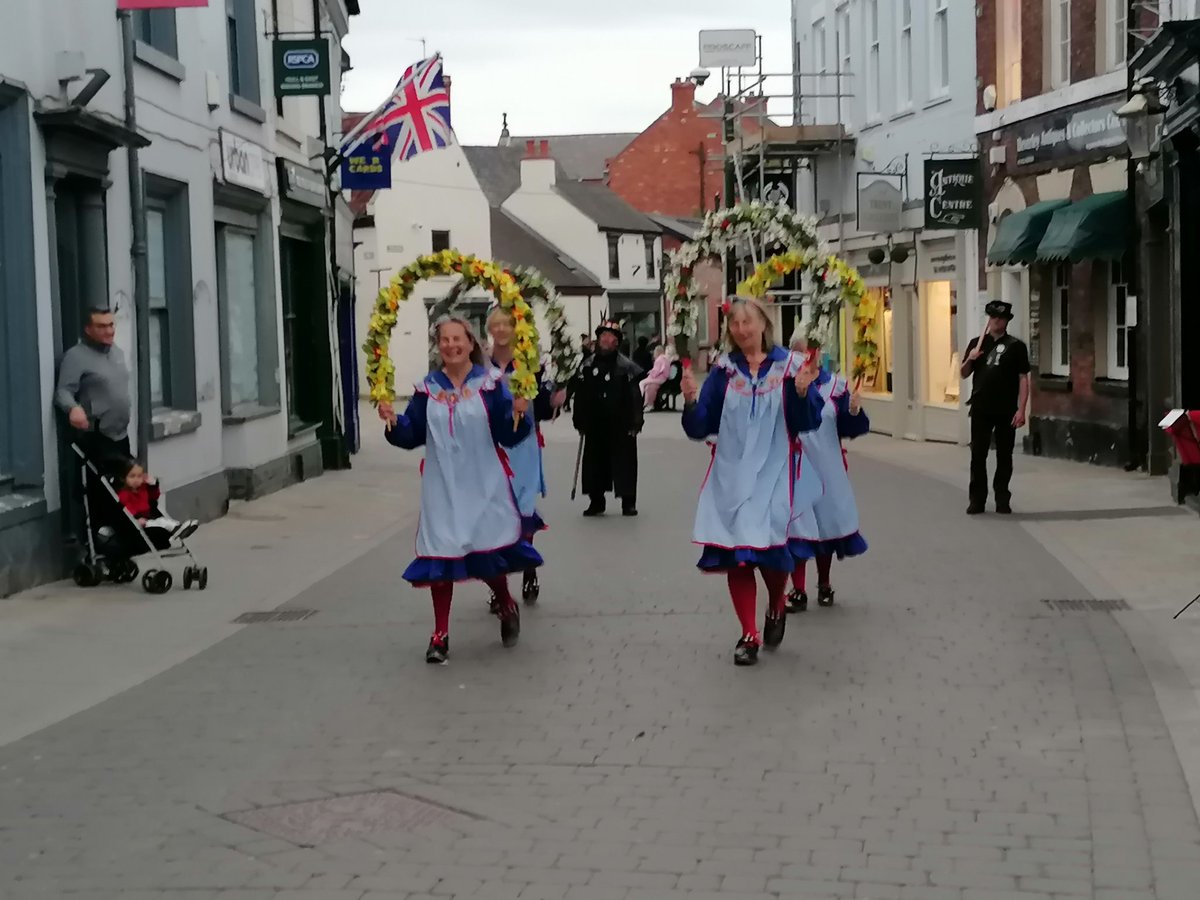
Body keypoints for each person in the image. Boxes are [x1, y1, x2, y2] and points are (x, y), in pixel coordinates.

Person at [379, 315, 541, 664]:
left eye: (457, 339)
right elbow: (413, 432)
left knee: (485, 554)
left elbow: (508, 432)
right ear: (438, 346)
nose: (451, 345)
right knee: (441, 553)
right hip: (442, 486)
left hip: (483, 483)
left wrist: (519, 414)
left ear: (470, 343)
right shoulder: (427, 389)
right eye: (445, 340)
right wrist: (393, 422)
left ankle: (505, 602)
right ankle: (440, 635)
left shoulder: (490, 384)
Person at [680, 297, 823, 667]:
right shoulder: (724, 372)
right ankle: (749, 633)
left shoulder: (789, 367)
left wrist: (802, 393)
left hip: (776, 473)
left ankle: (776, 604)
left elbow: (807, 422)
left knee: (772, 553)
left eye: (748, 322)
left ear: (763, 323)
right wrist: (691, 402)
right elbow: (701, 426)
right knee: (739, 557)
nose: (741, 330)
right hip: (733, 475)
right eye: (735, 324)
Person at [783, 335, 870, 613]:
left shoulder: (835, 386)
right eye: (798, 353)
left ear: (819, 353)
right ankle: (798, 589)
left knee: (826, 527)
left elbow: (849, 427)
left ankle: (824, 583)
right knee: (797, 528)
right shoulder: (785, 386)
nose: (804, 358)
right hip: (796, 466)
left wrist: (854, 410)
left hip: (827, 467)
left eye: (809, 352)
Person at [487, 306, 565, 603]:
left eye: (506, 324)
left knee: (522, 508)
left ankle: (528, 566)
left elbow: (542, 404)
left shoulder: (529, 364)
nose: (501, 330)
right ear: (490, 329)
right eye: (496, 324)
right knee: (496, 511)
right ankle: (500, 583)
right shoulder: (481, 365)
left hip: (524, 446)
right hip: (493, 445)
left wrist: (554, 401)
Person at [961, 300, 1030, 515]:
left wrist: (1022, 409)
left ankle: (1002, 498)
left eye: (1000, 318)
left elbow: (1023, 379)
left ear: (1006, 321)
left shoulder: (1016, 346)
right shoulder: (977, 343)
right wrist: (970, 358)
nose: (995, 321)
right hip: (981, 407)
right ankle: (977, 500)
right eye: (992, 317)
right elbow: (963, 373)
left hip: (1006, 408)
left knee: (1004, 456)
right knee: (978, 455)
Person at [572, 320, 644, 517]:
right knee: (594, 463)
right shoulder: (587, 365)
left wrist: (636, 421)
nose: (605, 339)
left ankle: (628, 501)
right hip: (595, 422)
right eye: (602, 335)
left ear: (617, 341)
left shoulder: (626, 367)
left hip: (621, 422)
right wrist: (579, 419)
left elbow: (635, 397)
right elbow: (580, 395)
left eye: (610, 336)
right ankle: (596, 500)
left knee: (625, 462)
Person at [55, 308, 133, 472]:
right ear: (88, 330)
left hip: (121, 436)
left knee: (129, 486)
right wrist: (73, 408)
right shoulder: (75, 356)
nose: (109, 331)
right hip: (97, 438)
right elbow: (63, 391)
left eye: (111, 325)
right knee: (105, 487)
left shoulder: (116, 352)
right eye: (102, 326)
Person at [115, 460, 197, 550]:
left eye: (139, 476)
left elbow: (154, 497)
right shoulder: (124, 493)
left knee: (163, 521)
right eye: (132, 476)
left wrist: (153, 485)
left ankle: (179, 528)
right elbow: (127, 508)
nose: (136, 480)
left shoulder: (143, 488)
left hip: (149, 517)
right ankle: (176, 533)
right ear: (124, 478)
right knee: (161, 522)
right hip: (138, 521)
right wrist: (136, 517)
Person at [639, 345, 671, 410]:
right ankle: (647, 403)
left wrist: (650, 373)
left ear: (657, 352)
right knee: (648, 386)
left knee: (641, 383)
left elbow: (656, 372)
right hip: (663, 378)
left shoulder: (659, 360)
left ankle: (641, 398)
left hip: (658, 378)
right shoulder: (665, 359)